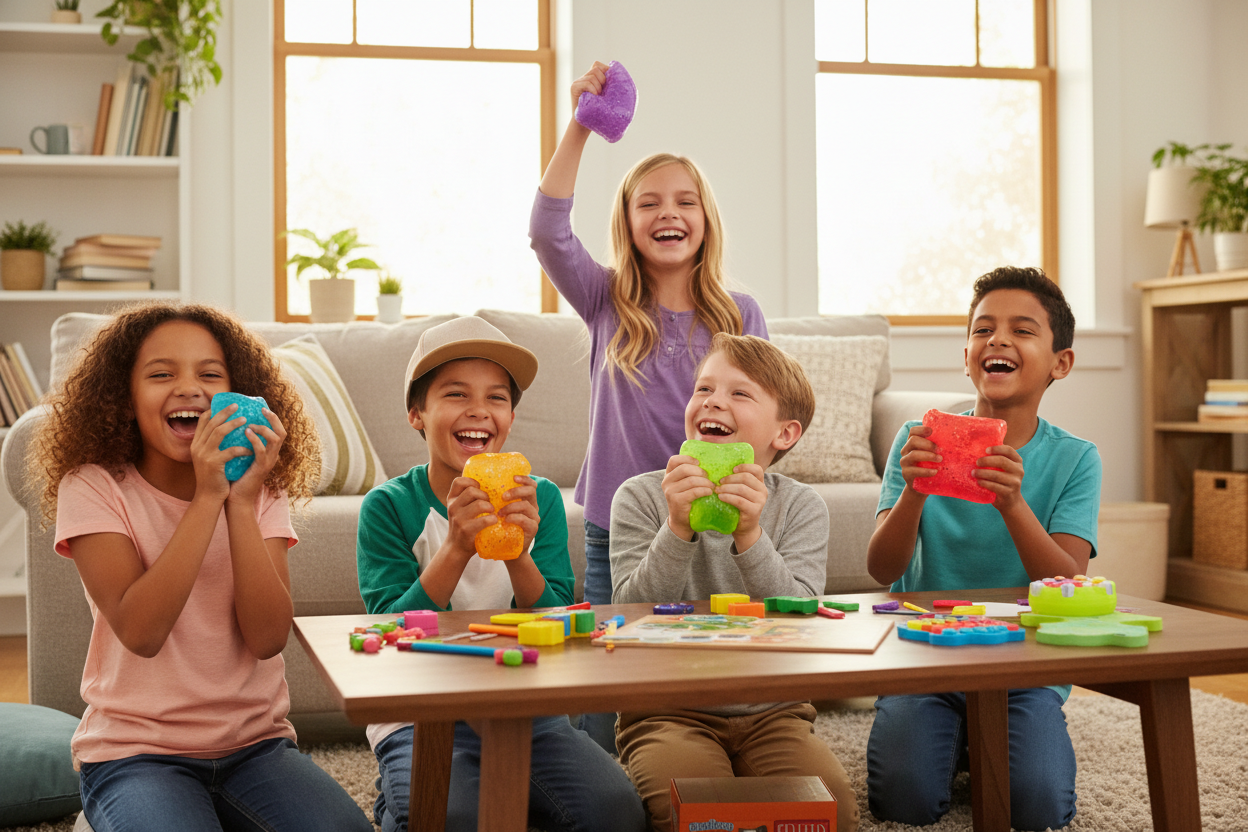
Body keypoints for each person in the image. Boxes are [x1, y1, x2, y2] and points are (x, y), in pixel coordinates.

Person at [31, 302, 371, 832]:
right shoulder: (94, 486)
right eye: (161, 374)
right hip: (136, 753)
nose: (189, 388)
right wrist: (209, 497)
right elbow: (141, 632)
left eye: (210, 375)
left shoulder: (260, 489)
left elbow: (267, 638)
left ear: (240, 394)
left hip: (255, 747)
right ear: (124, 398)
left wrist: (240, 502)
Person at [355, 316, 645, 832]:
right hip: (422, 713)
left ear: (510, 417)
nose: (478, 410)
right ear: (417, 414)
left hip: (524, 707)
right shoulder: (388, 506)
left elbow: (559, 622)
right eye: (456, 394)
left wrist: (516, 552)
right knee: (452, 818)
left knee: (616, 812)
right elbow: (390, 633)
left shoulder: (541, 499)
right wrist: (455, 548)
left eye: (496, 398)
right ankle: (398, 800)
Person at [865, 266, 1102, 831]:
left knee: (1039, 808)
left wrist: (1012, 504)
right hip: (924, 654)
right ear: (967, 356)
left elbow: (1068, 583)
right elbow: (881, 568)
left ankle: (976, 740)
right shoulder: (916, 441)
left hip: (1024, 666)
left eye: (1022, 330)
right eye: (983, 329)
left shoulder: (1076, 458)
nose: (997, 340)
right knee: (903, 800)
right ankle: (959, 739)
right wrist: (915, 491)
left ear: (1060, 362)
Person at [530, 60, 770, 609]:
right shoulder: (604, 297)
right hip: (617, 523)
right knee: (614, 656)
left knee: (708, 651)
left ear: (706, 220)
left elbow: (764, 417)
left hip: (714, 517)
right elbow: (546, 233)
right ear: (629, 223)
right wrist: (581, 125)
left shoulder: (741, 315)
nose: (669, 213)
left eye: (686, 202)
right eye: (649, 203)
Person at [610, 333, 860, 832]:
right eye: (703, 389)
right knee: (697, 815)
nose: (712, 401)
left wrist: (750, 534)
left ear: (784, 433)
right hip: (667, 710)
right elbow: (629, 613)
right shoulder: (640, 496)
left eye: (739, 393)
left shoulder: (801, 506)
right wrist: (676, 527)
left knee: (835, 817)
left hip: (774, 712)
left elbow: (803, 618)